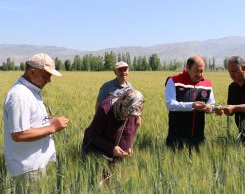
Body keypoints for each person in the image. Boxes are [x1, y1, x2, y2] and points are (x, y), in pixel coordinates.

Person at [3, 53, 69, 192]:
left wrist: (50, 120)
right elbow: (19, 134)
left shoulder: (31, 91)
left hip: (37, 164)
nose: (49, 80)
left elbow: (32, 121)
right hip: (29, 168)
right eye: (46, 76)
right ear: (32, 72)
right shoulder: (20, 96)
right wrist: (53, 127)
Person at [82, 88, 144, 184]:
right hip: (97, 155)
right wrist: (112, 148)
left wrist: (129, 147)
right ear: (121, 104)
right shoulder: (105, 109)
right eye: (127, 114)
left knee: (115, 185)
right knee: (97, 184)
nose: (128, 118)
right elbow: (93, 136)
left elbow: (130, 131)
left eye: (132, 116)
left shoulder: (133, 112)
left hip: (117, 159)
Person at [165, 55, 215, 150]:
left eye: (202, 71)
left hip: (198, 136)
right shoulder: (173, 81)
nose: (200, 74)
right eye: (197, 71)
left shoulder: (207, 84)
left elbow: (212, 104)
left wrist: (210, 109)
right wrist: (192, 105)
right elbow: (170, 104)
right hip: (176, 136)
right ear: (187, 68)